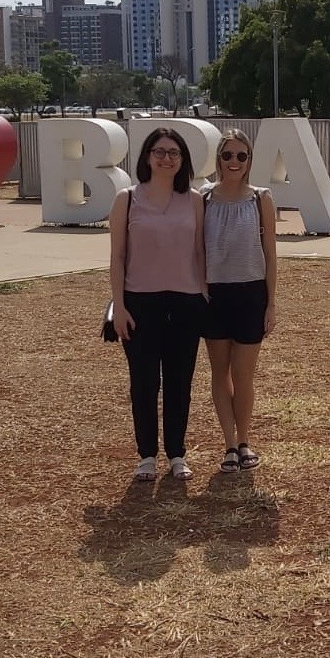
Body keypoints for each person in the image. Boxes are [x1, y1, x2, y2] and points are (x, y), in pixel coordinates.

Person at [109, 127, 207, 482]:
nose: (167, 158)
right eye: (159, 151)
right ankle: (147, 455)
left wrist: (204, 294)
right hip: (140, 303)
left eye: (174, 153)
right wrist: (119, 306)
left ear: (183, 160)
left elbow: (199, 252)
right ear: (147, 156)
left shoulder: (194, 199)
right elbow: (118, 257)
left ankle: (177, 454)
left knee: (180, 381)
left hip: (186, 302)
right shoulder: (128, 198)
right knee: (144, 382)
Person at [202, 128, 277, 473]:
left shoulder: (261, 198)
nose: (234, 162)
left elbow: (271, 255)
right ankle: (229, 444)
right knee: (220, 372)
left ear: (249, 161)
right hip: (213, 294)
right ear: (218, 158)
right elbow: (194, 250)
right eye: (227, 155)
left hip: (250, 293)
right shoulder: (201, 198)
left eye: (241, 156)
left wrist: (271, 303)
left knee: (243, 373)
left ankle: (245, 440)